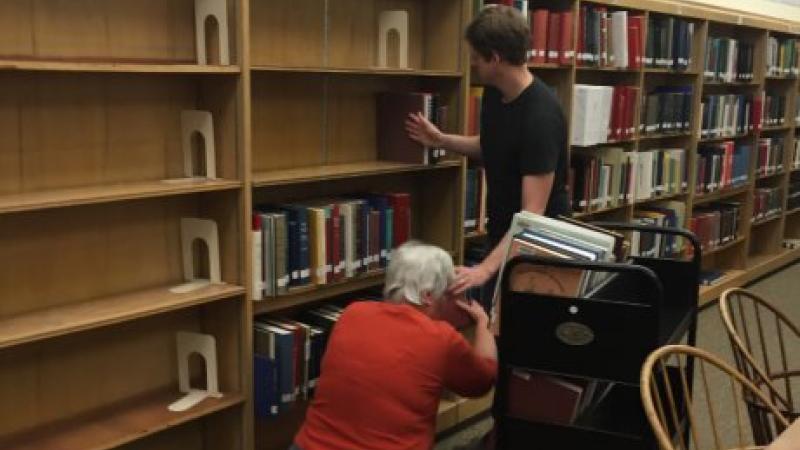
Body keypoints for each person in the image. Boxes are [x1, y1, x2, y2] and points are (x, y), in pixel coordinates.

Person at [406, 5, 569, 310]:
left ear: (495, 58)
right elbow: (493, 146)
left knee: (522, 333)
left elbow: (532, 216)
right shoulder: (496, 93)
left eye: (476, 58)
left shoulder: (540, 117)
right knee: (496, 329)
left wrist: (485, 269)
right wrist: (441, 140)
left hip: (536, 248)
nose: (472, 64)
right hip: (504, 233)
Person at [291, 241, 498, 450]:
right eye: (451, 293)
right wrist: (483, 323)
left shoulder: (352, 313)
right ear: (428, 296)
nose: (457, 301)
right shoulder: (441, 338)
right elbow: (483, 381)